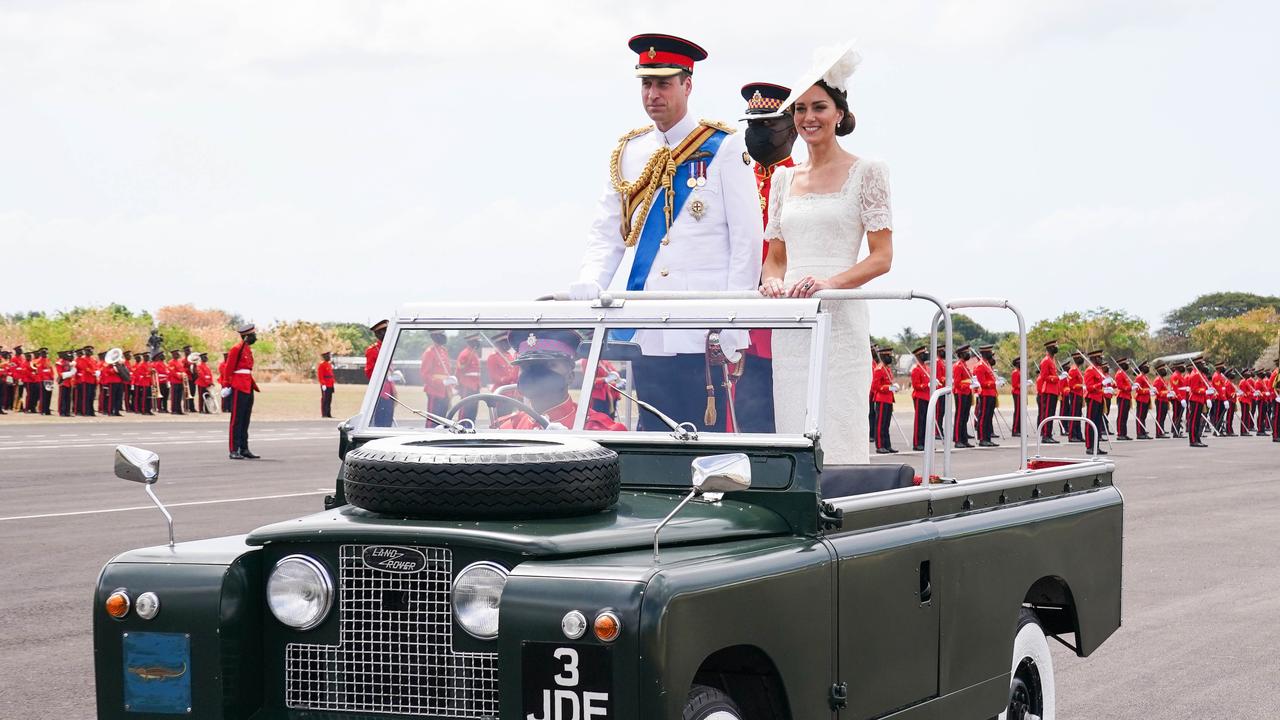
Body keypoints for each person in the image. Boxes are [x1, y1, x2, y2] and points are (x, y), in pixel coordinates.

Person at [571, 33, 759, 433]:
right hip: (649, 326)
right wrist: (591, 280)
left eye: (664, 83)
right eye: (646, 84)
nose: (653, 94)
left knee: (704, 440)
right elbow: (607, 231)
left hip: (702, 328)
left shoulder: (724, 147)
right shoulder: (629, 151)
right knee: (652, 433)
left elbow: (746, 242)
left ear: (687, 85)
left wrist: (733, 320)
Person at [758, 44, 892, 463]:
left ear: (839, 113)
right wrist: (773, 282)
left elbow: (881, 256)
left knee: (839, 423)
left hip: (840, 314)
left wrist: (829, 284)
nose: (808, 118)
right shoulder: (782, 180)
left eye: (818, 107)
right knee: (794, 426)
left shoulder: (868, 171)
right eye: (799, 109)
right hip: (792, 319)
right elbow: (775, 257)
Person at [734, 81, 798, 433]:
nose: (756, 133)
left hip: (782, 318)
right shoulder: (737, 179)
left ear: (790, 129)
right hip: (741, 316)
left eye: (766, 124)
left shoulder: (800, 181)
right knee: (745, 416)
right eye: (751, 125)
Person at [493, 331, 625, 432]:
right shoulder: (509, 428)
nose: (537, 373)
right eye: (527, 366)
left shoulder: (600, 431)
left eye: (549, 365)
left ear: (570, 376)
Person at [224, 324, 261, 459]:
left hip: (247, 385)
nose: (255, 337)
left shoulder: (247, 350)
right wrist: (226, 385)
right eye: (253, 335)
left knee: (246, 419)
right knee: (237, 420)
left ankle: (244, 448)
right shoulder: (236, 349)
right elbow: (229, 368)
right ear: (246, 337)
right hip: (239, 385)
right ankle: (234, 449)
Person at [419, 330, 455, 421]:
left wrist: (450, 381)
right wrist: (441, 382)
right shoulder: (429, 352)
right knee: (433, 420)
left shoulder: (443, 350)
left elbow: (446, 371)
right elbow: (425, 375)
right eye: (442, 335)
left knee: (443, 420)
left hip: (445, 390)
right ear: (435, 336)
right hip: (434, 390)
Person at [366, 320, 394, 426]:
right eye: (384, 331)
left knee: (388, 421)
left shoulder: (388, 348)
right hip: (380, 392)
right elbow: (369, 372)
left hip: (389, 391)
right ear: (377, 334)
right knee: (380, 422)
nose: (387, 333)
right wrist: (383, 376)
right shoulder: (373, 350)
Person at [1082, 350, 1110, 455]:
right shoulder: (1090, 370)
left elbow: (1100, 385)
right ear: (1094, 358)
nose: (1101, 359)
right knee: (1090, 424)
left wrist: (1106, 388)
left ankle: (1096, 446)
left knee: (1098, 424)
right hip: (1092, 399)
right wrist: (1100, 384)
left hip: (1099, 398)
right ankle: (1090, 446)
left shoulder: (1098, 370)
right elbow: (1089, 388)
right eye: (1099, 357)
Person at [871, 347, 897, 454]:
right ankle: (880, 445)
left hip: (889, 399)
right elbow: (875, 386)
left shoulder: (888, 369)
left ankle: (887, 445)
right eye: (888, 356)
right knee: (880, 424)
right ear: (883, 356)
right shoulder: (879, 369)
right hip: (881, 399)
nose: (890, 357)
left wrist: (894, 388)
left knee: (886, 424)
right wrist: (889, 388)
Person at [1036, 340, 1062, 443]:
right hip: (1048, 390)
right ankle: (1045, 435)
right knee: (1047, 413)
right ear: (1050, 348)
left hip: (1053, 390)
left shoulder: (1052, 360)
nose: (1056, 347)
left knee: (1051, 413)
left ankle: (1049, 434)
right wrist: (1057, 378)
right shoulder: (1046, 360)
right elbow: (1045, 377)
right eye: (1055, 346)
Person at [455, 333, 484, 422]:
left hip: (474, 386)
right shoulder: (465, 354)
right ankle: (462, 425)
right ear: (472, 342)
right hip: (466, 385)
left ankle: (470, 425)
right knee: (465, 409)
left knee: (473, 409)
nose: (478, 343)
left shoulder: (473, 353)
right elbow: (460, 370)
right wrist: (459, 385)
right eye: (476, 341)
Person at [951, 345, 976, 448]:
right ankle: (957, 439)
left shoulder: (964, 365)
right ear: (961, 354)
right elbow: (957, 383)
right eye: (966, 352)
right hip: (960, 393)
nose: (968, 354)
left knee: (965, 417)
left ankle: (964, 439)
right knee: (960, 417)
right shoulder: (958, 366)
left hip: (967, 392)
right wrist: (969, 383)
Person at [974, 345, 999, 447]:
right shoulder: (980, 365)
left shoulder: (987, 364)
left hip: (991, 393)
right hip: (985, 394)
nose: (991, 354)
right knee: (983, 417)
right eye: (989, 352)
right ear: (985, 353)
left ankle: (987, 438)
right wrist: (994, 383)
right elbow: (982, 382)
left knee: (989, 417)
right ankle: (982, 438)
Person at [909, 346, 932, 451]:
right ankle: (917, 443)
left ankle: (925, 442)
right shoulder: (916, 369)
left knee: (926, 421)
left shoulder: (926, 368)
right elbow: (916, 385)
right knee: (920, 420)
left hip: (927, 397)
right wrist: (927, 385)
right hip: (919, 397)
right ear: (918, 356)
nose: (926, 355)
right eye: (923, 353)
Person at [1185, 358, 1211, 448]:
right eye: (1202, 364)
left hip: (1200, 400)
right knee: (1194, 421)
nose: (1204, 365)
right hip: (1195, 400)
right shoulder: (1195, 374)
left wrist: (1207, 395)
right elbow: (1194, 389)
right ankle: (1193, 440)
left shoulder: (1201, 374)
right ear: (1197, 364)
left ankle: (1197, 439)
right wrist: (1205, 391)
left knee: (1197, 421)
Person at [485, 331, 520, 396]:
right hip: (501, 392)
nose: (508, 344)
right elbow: (494, 378)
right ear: (499, 344)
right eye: (505, 342)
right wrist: (508, 379)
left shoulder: (509, 355)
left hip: (511, 391)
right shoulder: (493, 357)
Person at [1132, 360, 1154, 439]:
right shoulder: (1139, 377)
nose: (1147, 367)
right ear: (1142, 368)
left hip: (1146, 399)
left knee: (1143, 417)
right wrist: (1148, 390)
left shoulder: (1145, 377)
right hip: (1141, 399)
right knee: (1140, 416)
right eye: (1146, 366)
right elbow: (1138, 390)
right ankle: (1139, 433)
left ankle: (1143, 431)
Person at [1113, 358, 1134, 440]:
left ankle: (1124, 433)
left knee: (1125, 416)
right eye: (1126, 363)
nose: (1127, 365)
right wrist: (1130, 388)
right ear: (1122, 364)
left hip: (1127, 396)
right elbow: (1120, 386)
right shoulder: (1119, 374)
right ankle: (1120, 434)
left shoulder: (1124, 373)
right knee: (1121, 416)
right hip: (1122, 397)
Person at [167, 349, 187, 415]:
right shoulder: (171, 362)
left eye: (178, 354)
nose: (178, 355)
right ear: (173, 355)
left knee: (179, 396)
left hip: (180, 381)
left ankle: (179, 409)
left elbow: (182, 370)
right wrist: (179, 376)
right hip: (174, 381)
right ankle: (174, 410)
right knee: (174, 396)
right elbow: (172, 372)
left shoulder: (180, 362)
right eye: (177, 354)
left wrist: (183, 374)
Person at [317, 350, 336, 418]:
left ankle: (328, 413)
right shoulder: (322, 364)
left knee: (329, 399)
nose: (330, 357)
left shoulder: (329, 364)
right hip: (325, 384)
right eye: (329, 356)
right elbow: (320, 375)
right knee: (325, 399)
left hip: (330, 384)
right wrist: (323, 384)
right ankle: (324, 413)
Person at [1010, 357, 1023, 436]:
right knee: (1018, 411)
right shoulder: (1015, 372)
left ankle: (1019, 429)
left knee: (1021, 412)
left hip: (1021, 392)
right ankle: (1015, 430)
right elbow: (1014, 384)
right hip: (1017, 393)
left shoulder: (1020, 372)